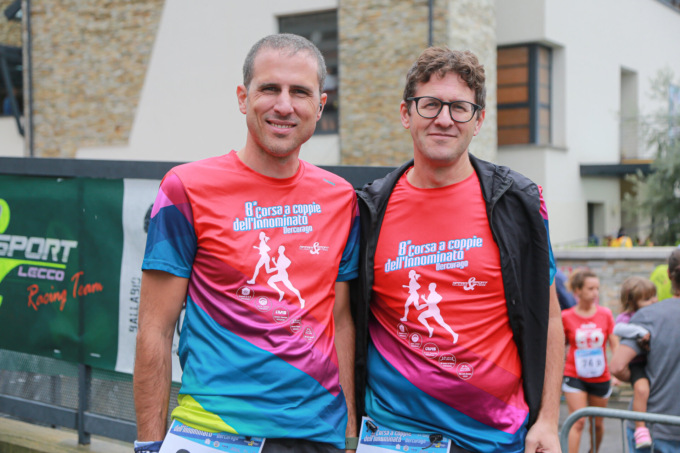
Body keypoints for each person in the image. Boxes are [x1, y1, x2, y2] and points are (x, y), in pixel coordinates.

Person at [133, 34, 360, 453]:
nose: (284, 106)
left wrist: (349, 434)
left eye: (300, 92)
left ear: (320, 106)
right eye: (269, 88)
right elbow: (155, 329)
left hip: (315, 435)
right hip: (211, 432)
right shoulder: (185, 189)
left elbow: (341, 321)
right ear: (243, 98)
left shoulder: (341, 198)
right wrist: (148, 445)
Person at [355, 47, 564, 453]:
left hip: (495, 438)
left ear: (478, 120)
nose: (444, 119)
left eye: (459, 108)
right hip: (394, 436)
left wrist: (549, 420)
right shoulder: (369, 209)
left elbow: (551, 316)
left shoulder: (518, 203)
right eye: (430, 104)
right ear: (406, 113)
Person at [611, 249, 680, 453]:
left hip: (654, 426)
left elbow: (617, 366)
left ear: (669, 275)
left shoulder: (648, 315)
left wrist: (642, 381)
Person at [561, 269, 619, 453]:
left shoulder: (605, 314)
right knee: (577, 422)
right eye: (590, 288)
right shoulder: (566, 316)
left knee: (597, 424)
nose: (595, 293)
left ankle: (593, 450)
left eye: (597, 288)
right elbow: (558, 347)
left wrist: (617, 372)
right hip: (574, 375)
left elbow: (615, 343)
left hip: (600, 376)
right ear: (577, 290)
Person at [613, 276, 658, 449]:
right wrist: (640, 331)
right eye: (647, 299)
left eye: (654, 296)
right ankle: (640, 429)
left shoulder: (654, 313)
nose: (653, 301)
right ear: (632, 302)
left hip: (652, 361)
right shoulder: (628, 317)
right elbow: (618, 328)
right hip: (637, 363)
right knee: (641, 389)